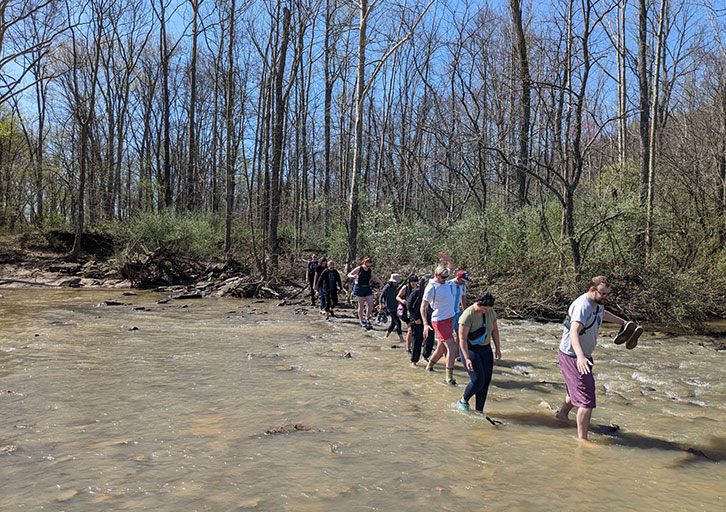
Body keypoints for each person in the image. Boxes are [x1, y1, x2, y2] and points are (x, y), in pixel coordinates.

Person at [556, 276, 641, 440]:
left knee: (577, 391)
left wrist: (623, 322)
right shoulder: (582, 305)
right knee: (586, 400)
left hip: (582, 355)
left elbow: (603, 313)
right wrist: (580, 357)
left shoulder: (597, 304)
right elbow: (574, 331)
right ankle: (582, 441)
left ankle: (562, 415)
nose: (606, 297)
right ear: (592, 290)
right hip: (573, 355)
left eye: (608, 294)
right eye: (603, 293)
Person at [457, 291, 501, 414]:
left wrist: (498, 348)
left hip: (485, 349)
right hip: (470, 349)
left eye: (489, 309)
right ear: (478, 304)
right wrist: (466, 358)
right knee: (478, 380)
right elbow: (462, 339)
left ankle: (479, 411)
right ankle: (463, 400)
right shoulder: (467, 315)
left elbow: (495, 330)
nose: (487, 311)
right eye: (485, 308)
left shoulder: (490, 312)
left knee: (486, 381)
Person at [421, 256, 459, 385]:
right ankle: (449, 377)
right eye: (443, 278)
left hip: (449, 318)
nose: (445, 280)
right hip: (439, 320)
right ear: (436, 275)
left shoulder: (444, 278)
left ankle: (429, 366)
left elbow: (451, 267)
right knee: (452, 348)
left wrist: (448, 259)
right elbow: (423, 307)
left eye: (446, 277)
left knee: (441, 348)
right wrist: (425, 324)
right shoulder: (431, 287)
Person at [347, 257, 384, 328]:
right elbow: (349, 274)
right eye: (368, 262)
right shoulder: (359, 268)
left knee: (371, 303)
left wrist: (380, 282)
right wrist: (353, 276)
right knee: (361, 305)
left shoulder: (370, 270)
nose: (369, 264)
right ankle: (361, 321)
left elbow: (374, 277)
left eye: (370, 262)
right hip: (359, 287)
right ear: (364, 262)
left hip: (366, 287)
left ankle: (367, 318)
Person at [380, 273, 404, 343]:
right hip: (389, 307)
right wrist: (380, 304)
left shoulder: (397, 287)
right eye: (396, 282)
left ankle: (386, 336)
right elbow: (381, 296)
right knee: (398, 322)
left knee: (393, 323)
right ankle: (401, 338)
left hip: (396, 307)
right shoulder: (387, 287)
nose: (397, 283)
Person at [397, 275, 418, 352]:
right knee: (410, 329)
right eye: (412, 282)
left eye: (415, 281)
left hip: (416, 310)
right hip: (407, 310)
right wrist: (402, 301)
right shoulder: (405, 288)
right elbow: (397, 296)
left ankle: (421, 344)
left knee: (418, 329)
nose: (413, 283)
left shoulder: (418, 288)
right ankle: (408, 348)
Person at [450, 270, 468, 340]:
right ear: (458, 278)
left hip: (458, 312)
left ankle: (458, 349)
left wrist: (465, 312)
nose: (464, 282)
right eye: (463, 280)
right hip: (449, 313)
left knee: (460, 332)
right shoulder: (449, 284)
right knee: (449, 334)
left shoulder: (463, 286)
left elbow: (463, 299)